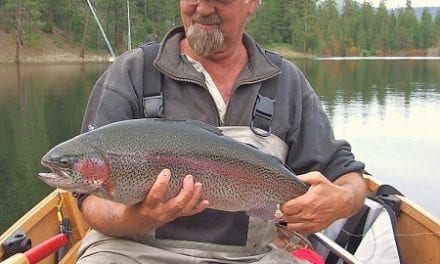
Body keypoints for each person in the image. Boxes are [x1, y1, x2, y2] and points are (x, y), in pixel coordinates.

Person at [76, 0, 367, 263]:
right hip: (133, 252)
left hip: (251, 258)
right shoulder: (132, 72)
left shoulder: (286, 82)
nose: (203, 8)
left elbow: (348, 177)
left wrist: (342, 200)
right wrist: (134, 218)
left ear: (252, 3)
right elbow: (88, 198)